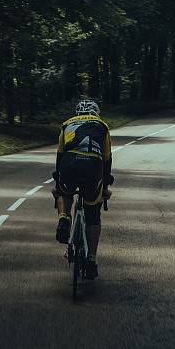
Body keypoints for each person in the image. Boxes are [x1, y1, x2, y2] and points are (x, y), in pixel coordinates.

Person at [52, 99, 113, 280]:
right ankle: (92, 261)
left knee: (64, 192)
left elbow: (60, 155)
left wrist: (57, 183)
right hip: (93, 166)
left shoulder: (66, 124)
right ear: (96, 112)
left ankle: (64, 217)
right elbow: (107, 160)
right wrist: (105, 187)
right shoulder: (102, 126)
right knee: (93, 216)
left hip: (69, 163)